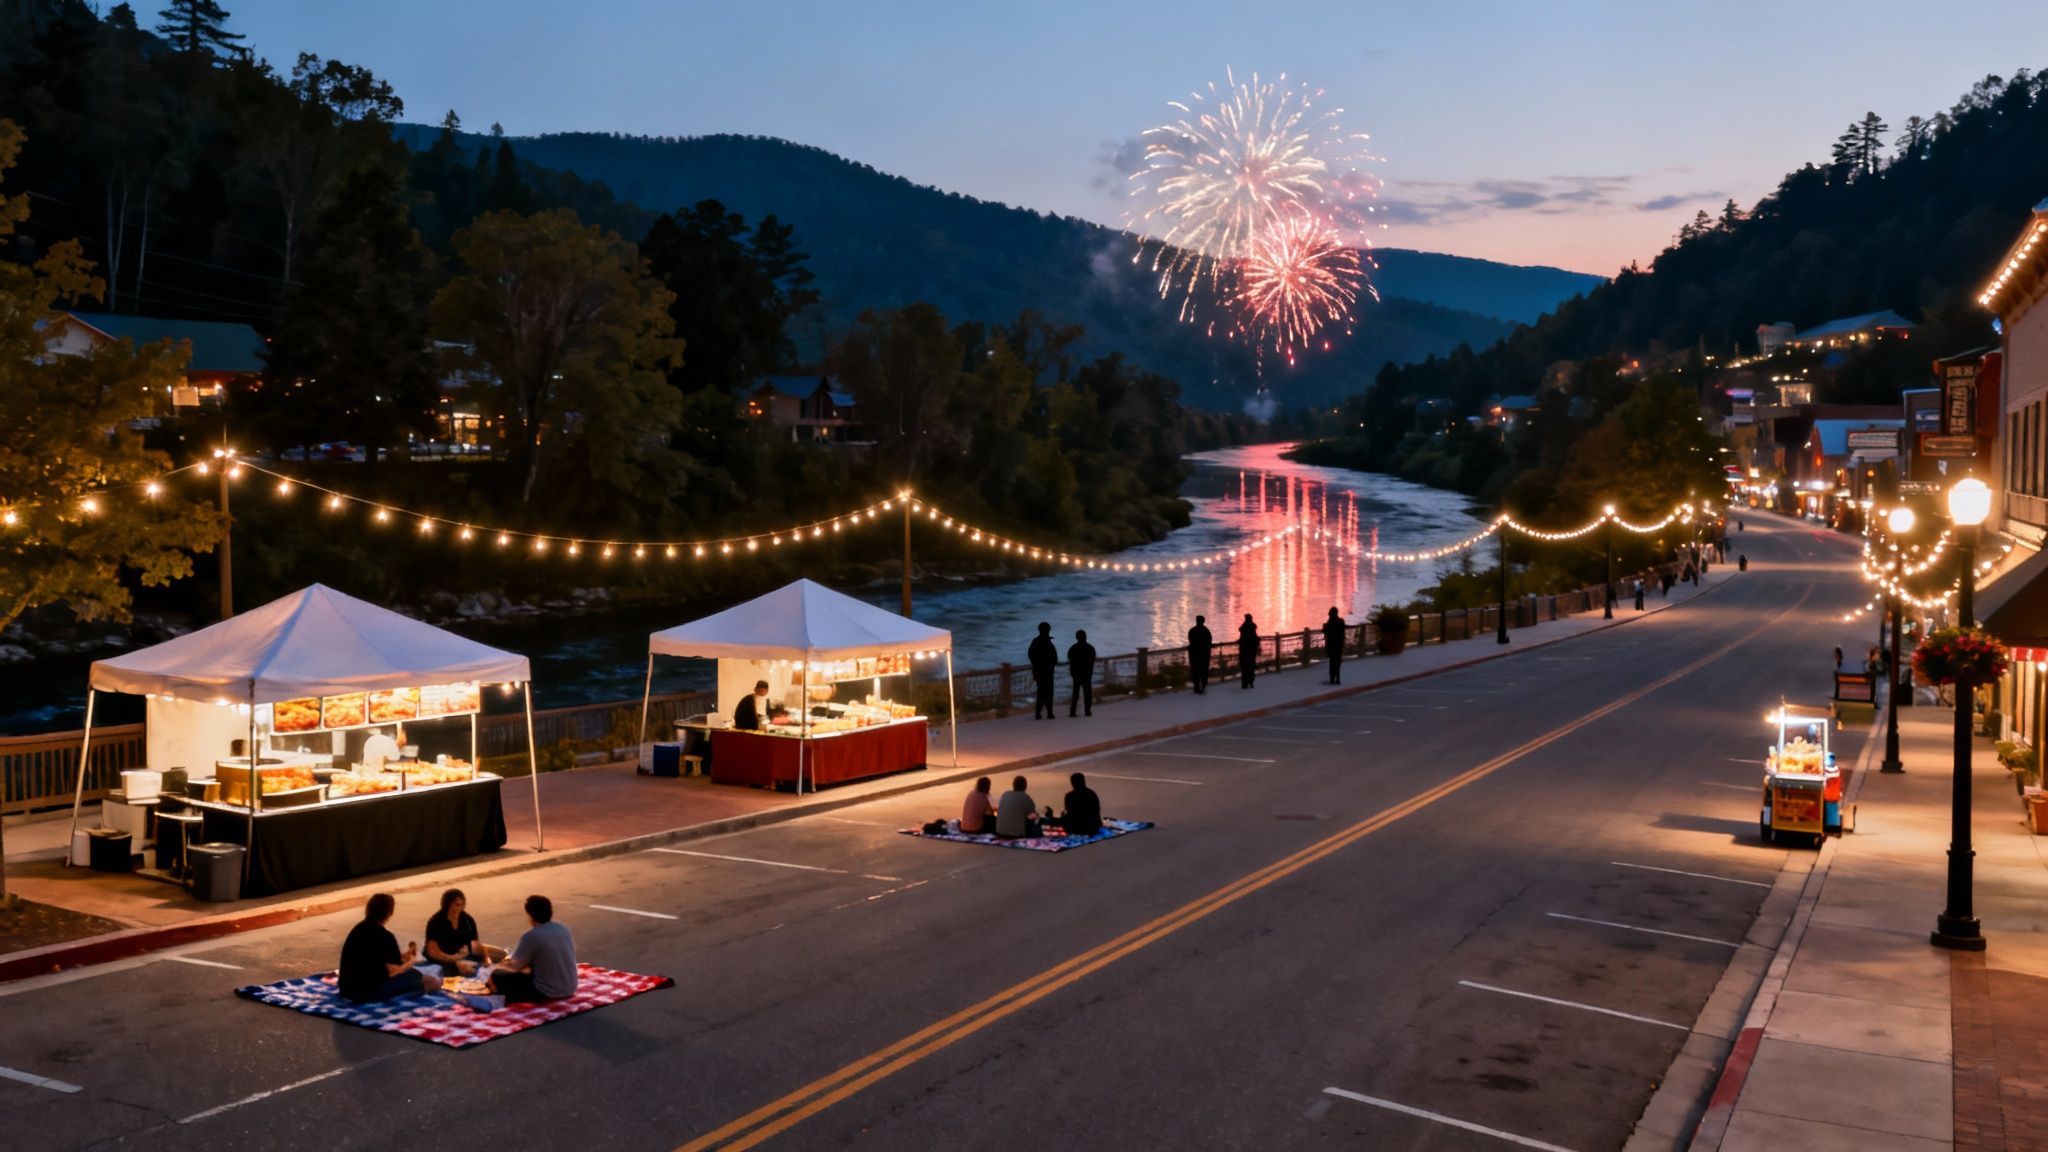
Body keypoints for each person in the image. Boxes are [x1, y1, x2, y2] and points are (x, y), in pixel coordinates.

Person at [338, 892, 440, 1001]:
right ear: (389, 913)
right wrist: (410, 962)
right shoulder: (385, 936)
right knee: (425, 980)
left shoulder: (357, 929)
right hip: (368, 992)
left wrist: (403, 956)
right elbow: (393, 970)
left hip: (346, 988)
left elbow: (375, 957)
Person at [489, 895, 578, 1003]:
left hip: (547, 992)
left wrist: (497, 967)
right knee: (527, 968)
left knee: (497, 975)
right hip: (571, 987)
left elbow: (514, 966)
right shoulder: (562, 928)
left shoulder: (532, 935)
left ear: (530, 915)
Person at [424, 888, 500, 975]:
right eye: (456, 905)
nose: (459, 908)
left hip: (463, 951)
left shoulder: (467, 919)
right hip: (442, 955)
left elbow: (475, 943)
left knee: (501, 955)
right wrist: (454, 960)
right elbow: (433, 951)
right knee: (467, 970)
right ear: (447, 905)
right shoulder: (436, 921)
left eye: (462, 905)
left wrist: (486, 958)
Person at [1028, 623, 1059, 720]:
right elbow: (1054, 658)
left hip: (1039, 671)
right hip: (1047, 671)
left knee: (1041, 691)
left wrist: (1036, 665)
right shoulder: (1048, 643)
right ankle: (1048, 712)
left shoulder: (1036, 642)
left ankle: (1039, 713)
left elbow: (1031, 655)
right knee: (1048, 691)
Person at [1060, 772, 1102, 837]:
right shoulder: (1092, 793)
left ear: (1072, 783)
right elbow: (1097, 810)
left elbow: (1070, 812)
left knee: (1063, 817)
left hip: (1077, 827)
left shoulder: (1070, 796)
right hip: (1093, 826)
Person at [1068, 629, 1097, 717]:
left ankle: (1072, 711)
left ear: (1077, 637)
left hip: (1076, 673)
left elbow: (1070, 658)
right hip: (1087, 673)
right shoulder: (1090, 648)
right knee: (1087, 693)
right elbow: (1093, 659)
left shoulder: (1073, 648)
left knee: (1075, 693)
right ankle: (1087, 711)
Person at [1187, 615, 1213, 694]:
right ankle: (1203, 686)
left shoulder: (1192, 630)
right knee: (1204, 671)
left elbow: (1190, 640)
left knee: (1195, 671)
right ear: (1203, 621)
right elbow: (1209, 642)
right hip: (1204, 654)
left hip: (1194, 654)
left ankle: (1196, 687)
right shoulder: (1206, 631)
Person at [1321, 608, 1347, 684]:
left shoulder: (1330, 622)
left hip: (1331, 645)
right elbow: (1343, 632)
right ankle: (1337, 677)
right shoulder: (1340, 621)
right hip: (1339, 645)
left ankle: (1332, 678)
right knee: (1337, 661)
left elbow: (1324, 632)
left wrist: (1325, 626)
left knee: (1332, 662)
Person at [1238, 614, 1259, 689]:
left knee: (1244, 667)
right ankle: (1251, 681)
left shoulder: (1244, 628)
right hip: (1252, 651)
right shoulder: (1253, 629)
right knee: (1251, 666)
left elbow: (1241, 632)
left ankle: (1245, 683)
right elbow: (1256, 640)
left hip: (1244, 651)